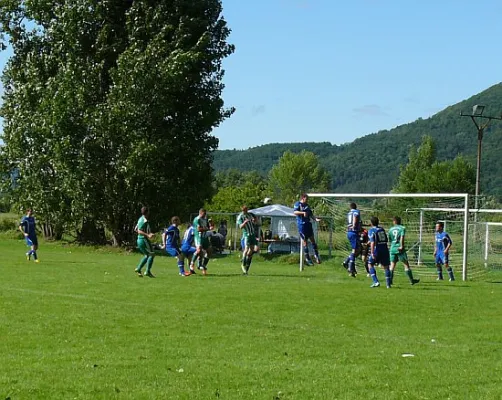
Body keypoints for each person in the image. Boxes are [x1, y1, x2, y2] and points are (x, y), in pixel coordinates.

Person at [388, 216, 420, 285]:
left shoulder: (390, 229)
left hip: (393, 248)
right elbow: (402, 237)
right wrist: (401, 246)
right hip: (400, 249)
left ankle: (390, 281)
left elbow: (390, 240)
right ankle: (412, 280)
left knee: (392, 265)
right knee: (406, 264)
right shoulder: (402, 228)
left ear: (394, 221)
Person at [293, 193, 321, 266]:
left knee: (312, 240)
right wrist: (302, 213)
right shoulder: (298, 204)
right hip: (302, 225)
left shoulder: (307, 205)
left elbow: (311, 214)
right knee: (305, 241)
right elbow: (295, 212)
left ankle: (316, 255)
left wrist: (315, 219)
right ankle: (307, 258)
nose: (307, 200)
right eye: (306, 199)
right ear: (303, 198)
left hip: (308, 224)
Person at [367, 216, 391, 288]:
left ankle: (376, 282)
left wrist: (372, 252)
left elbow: (372, 242)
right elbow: (386, 239)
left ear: (371, 223)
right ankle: (388, 285)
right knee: (386, 266)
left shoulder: (371, 230)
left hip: (377, 249)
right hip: (385, 248)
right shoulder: (382, 229)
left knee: (370, 264)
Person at [135, 206, 156, 278]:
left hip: (140, 239)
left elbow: (135, 229)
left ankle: (138, 269)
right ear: (148, 212)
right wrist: (148, 235)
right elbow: (139, 230)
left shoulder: (140, 219)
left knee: (147, 255)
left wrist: (149, 233)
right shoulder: (143, 220)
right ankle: (147, 271)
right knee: (152, 254)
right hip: (143, 239)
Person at [343, 202, 361, 277]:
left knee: (358, 249)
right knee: (355, 250)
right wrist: (354, 225)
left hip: (350, 232)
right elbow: (355, 217)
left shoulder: (349, 213)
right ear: (355, 207)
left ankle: (347, 262)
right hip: (353, 232)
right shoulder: (356, 212)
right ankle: (350, 267)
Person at [237, 205, 257, 275]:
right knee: (246, 248)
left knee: (252, 250)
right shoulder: (240, 216)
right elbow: (240, 226)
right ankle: (243, 260)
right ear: (242, 210)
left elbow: (254, 221)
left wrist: (254, 220)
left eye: (246, 209)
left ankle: (246, 260)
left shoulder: (249, 214)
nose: (246, 210)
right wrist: (245, 222)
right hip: (246, 235)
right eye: (245, 210)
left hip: (252, 234)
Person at [191, 208, 211, 275]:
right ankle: (192, 264)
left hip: (205, 237)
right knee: (199, 250)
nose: (205, 215)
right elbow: (199, 229)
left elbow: (209, 226)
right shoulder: (197, 219)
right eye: (204, 213)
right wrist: (208, 229)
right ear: (201, 213)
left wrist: (211, 224)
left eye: (205, 214)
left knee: (209, 251)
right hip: (198, 237)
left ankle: (203, 265)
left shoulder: (205, 219)